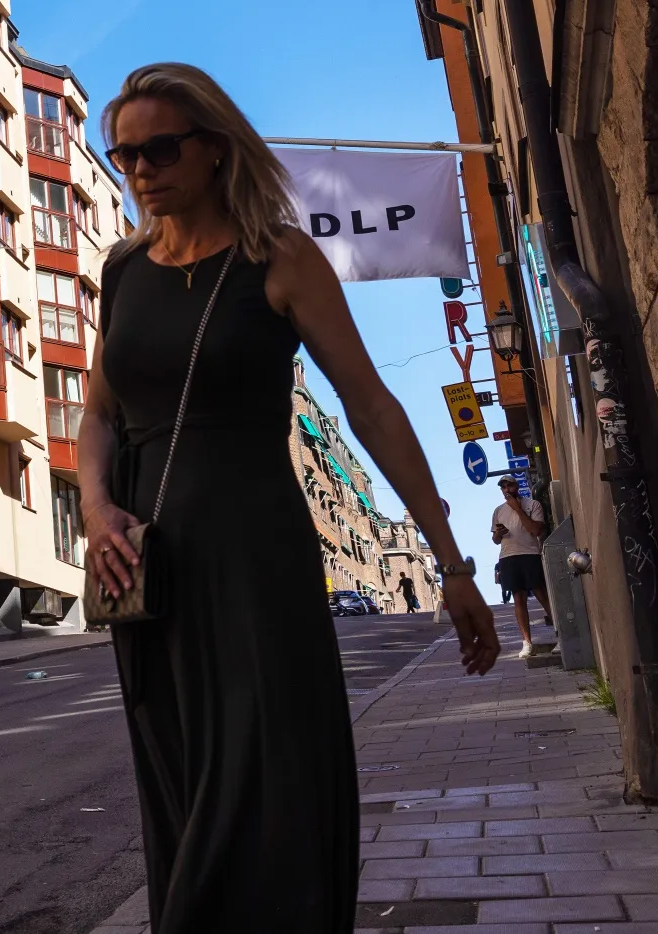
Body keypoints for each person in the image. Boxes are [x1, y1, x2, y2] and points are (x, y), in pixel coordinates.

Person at [78, 63, 500, 933]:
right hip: (147, 575)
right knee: (182, 785)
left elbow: (372, 407)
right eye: (124, 155)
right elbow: (98, 414)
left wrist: (451, 563)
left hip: (253, 556)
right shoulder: (121, 272)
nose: (141, 170)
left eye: (160, 149)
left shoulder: (279, 258)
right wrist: (92, 505)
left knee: (264, 783)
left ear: (215, 148)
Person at [491, 475, 555, 656]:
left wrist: (518, 509)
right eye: (503, 487)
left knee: (542, 594)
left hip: (530, 554)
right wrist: (499, 533)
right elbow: (495, 540)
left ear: (517, 486)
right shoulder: (498, 511)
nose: (507, 490)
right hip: (508, 557)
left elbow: (536, 530)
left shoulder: (532, 505)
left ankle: (561, 634)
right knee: (518, 599)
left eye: (509, 486)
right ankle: (527, 643)